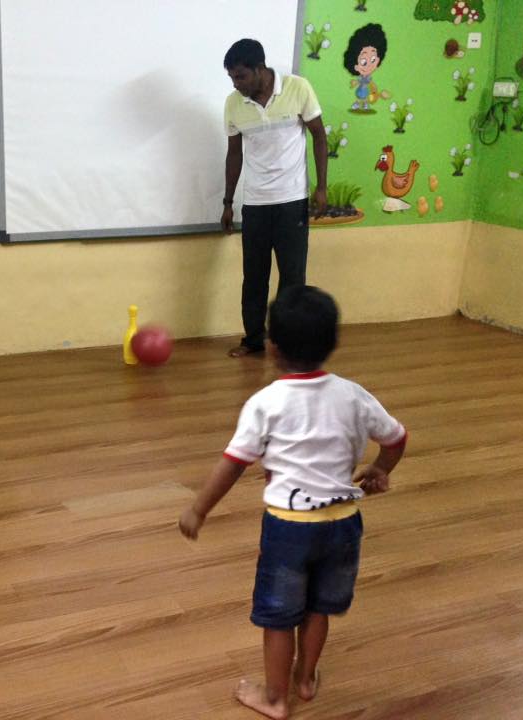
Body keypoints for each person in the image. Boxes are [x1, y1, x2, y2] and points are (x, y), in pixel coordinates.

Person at [178, 286, 407, 719]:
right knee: (319, 608)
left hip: (289, 530)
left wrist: (198, 509)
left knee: (279, 617)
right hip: (343, 524)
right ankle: (304, 679)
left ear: (272, 347)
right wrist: (380, 469)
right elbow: (396, 438)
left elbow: (233, 464)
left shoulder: (265, 404)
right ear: (333, 342)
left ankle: (275, 699)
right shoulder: (354, 395)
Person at [220, 39, 328, 358]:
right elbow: (234, 154)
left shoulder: (298, 88)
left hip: (292, 200)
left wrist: (321, 188)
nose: (236, 84)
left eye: (240, 76)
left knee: (292, 278)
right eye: (231, 77)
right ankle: (254, 340)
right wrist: (228, 202)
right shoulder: (233, 104)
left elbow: (319, 136)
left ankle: (286, 341)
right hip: (255, 203)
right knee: (254, 277)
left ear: (259, 69)